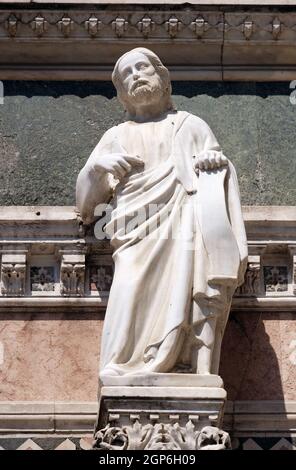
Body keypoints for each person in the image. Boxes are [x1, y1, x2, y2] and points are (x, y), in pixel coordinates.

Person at [76, 47, 247, 377]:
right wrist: (98, 169)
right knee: (129, 286)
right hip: (135, 234)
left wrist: (215, 164)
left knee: (182, 288)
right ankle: (121, 365)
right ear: (123, 95)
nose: (136, 75)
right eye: (127, 74)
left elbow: (217, 169)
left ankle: (175, 358)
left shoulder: (191, 126)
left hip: (183, 231)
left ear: (164, 81)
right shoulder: (116, 136)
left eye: (143, 68)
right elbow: (85, 206)